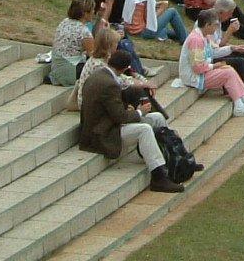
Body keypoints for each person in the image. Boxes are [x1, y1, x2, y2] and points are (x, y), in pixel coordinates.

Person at [78, 49, 191, 193]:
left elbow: (110, 108)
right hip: (103, 134)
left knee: (157, 118)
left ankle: (178, 156)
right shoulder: (109, 83)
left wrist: (132, 110)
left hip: (105, 125)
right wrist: (139, 112)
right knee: (144, 130)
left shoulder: (100, 75)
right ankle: (159, 177)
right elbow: (120, 117)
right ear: (125, 68)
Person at [179, 9, 244, 117]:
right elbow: (197, 68)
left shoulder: (204, 36)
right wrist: (214, 66)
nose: (217, 28)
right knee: (228, 73)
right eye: (215, 25)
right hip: (193, 77)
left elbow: (213, 52)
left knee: (229, 69)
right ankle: (239, 105)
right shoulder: (196, 40)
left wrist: (232, 48)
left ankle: (241, 101)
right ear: (207, 25)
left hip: (200, 72)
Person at [50, 0, 97, 87]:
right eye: (92, 10)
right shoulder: (84, 32)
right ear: (85, 13)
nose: (94, 12)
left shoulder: (64, 22)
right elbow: (94, 56)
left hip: (56, 68)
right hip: (70, 71)